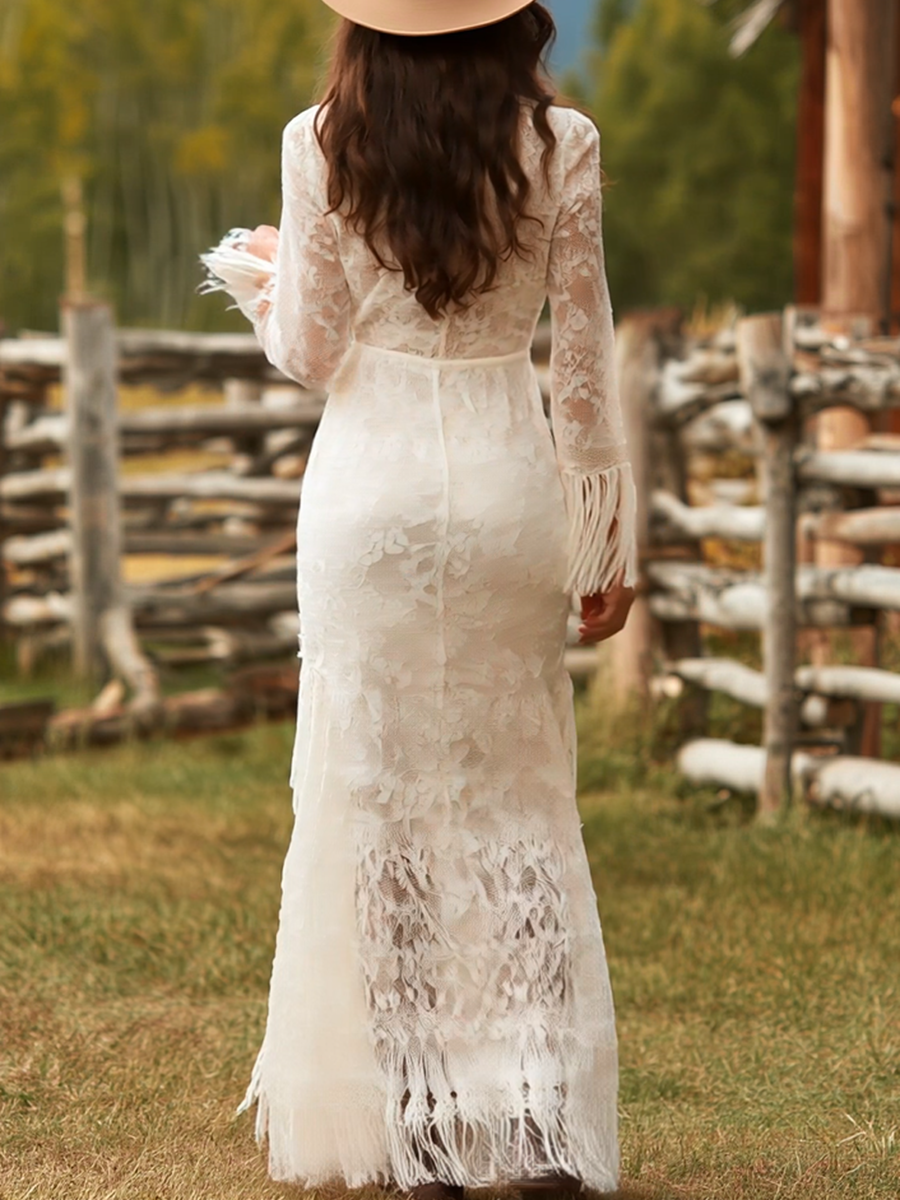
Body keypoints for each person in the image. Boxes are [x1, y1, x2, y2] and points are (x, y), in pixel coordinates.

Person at [200, 2, 636, 1196]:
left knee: (382, 815)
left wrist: (264, 276)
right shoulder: (562, 145)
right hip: (504, 485)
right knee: (519, 798)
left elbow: (312, 349)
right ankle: (537, 1127)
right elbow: (584, 352)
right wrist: (603, 534)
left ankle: (424, 1136)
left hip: (369, 495)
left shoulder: (319, 141)